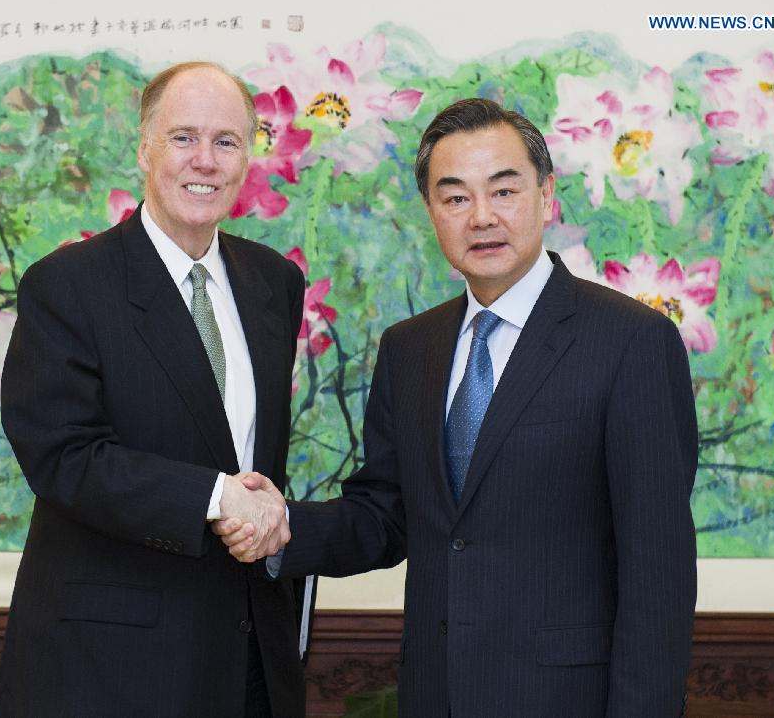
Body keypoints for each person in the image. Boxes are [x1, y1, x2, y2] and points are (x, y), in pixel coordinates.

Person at [216, 98, 698, 717]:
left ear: (546, 196)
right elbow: (386, 515)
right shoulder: (410, 349)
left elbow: (657, 570)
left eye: (504, 190)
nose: (482, 218)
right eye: (456, 197)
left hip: (569, 699)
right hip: (436, 694)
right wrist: (280, 529)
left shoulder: (630, 342)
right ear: (432, 212)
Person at [0, 62, 305, 717]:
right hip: (110, 670)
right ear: (143, 149)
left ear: (247, 157)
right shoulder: (68, 286)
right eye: (183, 137)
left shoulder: (274, 283)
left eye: (226, 141)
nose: (206, 160)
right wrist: (217, 497)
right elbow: (64, 458)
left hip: (249, 661)